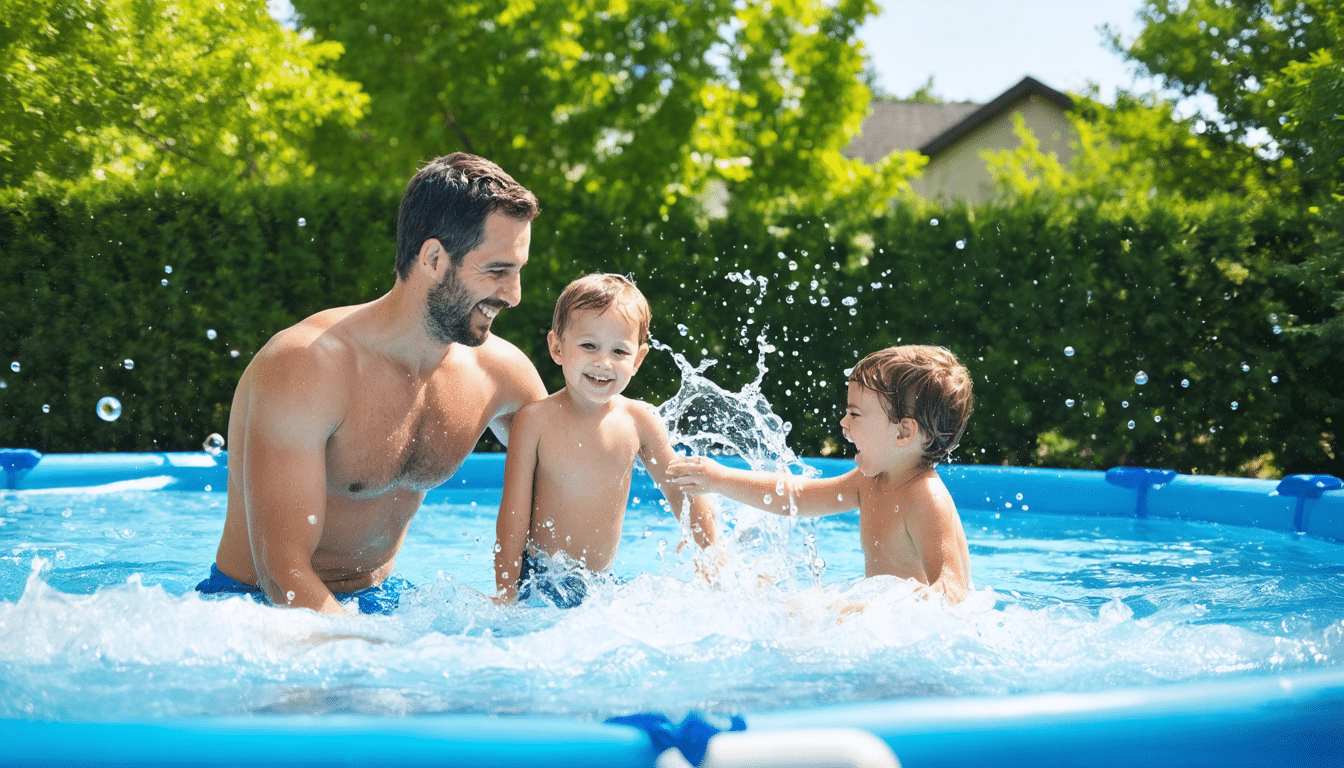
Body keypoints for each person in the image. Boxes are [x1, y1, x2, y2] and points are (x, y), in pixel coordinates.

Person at [198, 153, 546, 615]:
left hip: (380, 601)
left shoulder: (500, 373)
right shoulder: (308, 366)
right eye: (498, 270)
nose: (514, 294)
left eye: (518, 270)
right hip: (253, 610)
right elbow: (282, 574)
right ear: (434, 258)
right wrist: (378, 655)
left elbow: (572, 474)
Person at [668, 345, 975, 604]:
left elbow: (952, 595)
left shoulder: (925, 498)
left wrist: (876, 611)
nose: (843, 422)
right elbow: (795, 497)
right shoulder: (869, 480)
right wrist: (719, 479)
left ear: (904, 432)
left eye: (854, 414)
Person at [494, 273, 720, 607]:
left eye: (619, 351)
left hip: (599, 586)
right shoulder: (535, 421)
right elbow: (512, 516)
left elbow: (681, 489)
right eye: (589, 346)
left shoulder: (640, 420)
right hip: (539, 580)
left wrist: (716, 563)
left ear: (638, 359)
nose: (603, 362)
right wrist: (505, 596)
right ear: (557, 347)